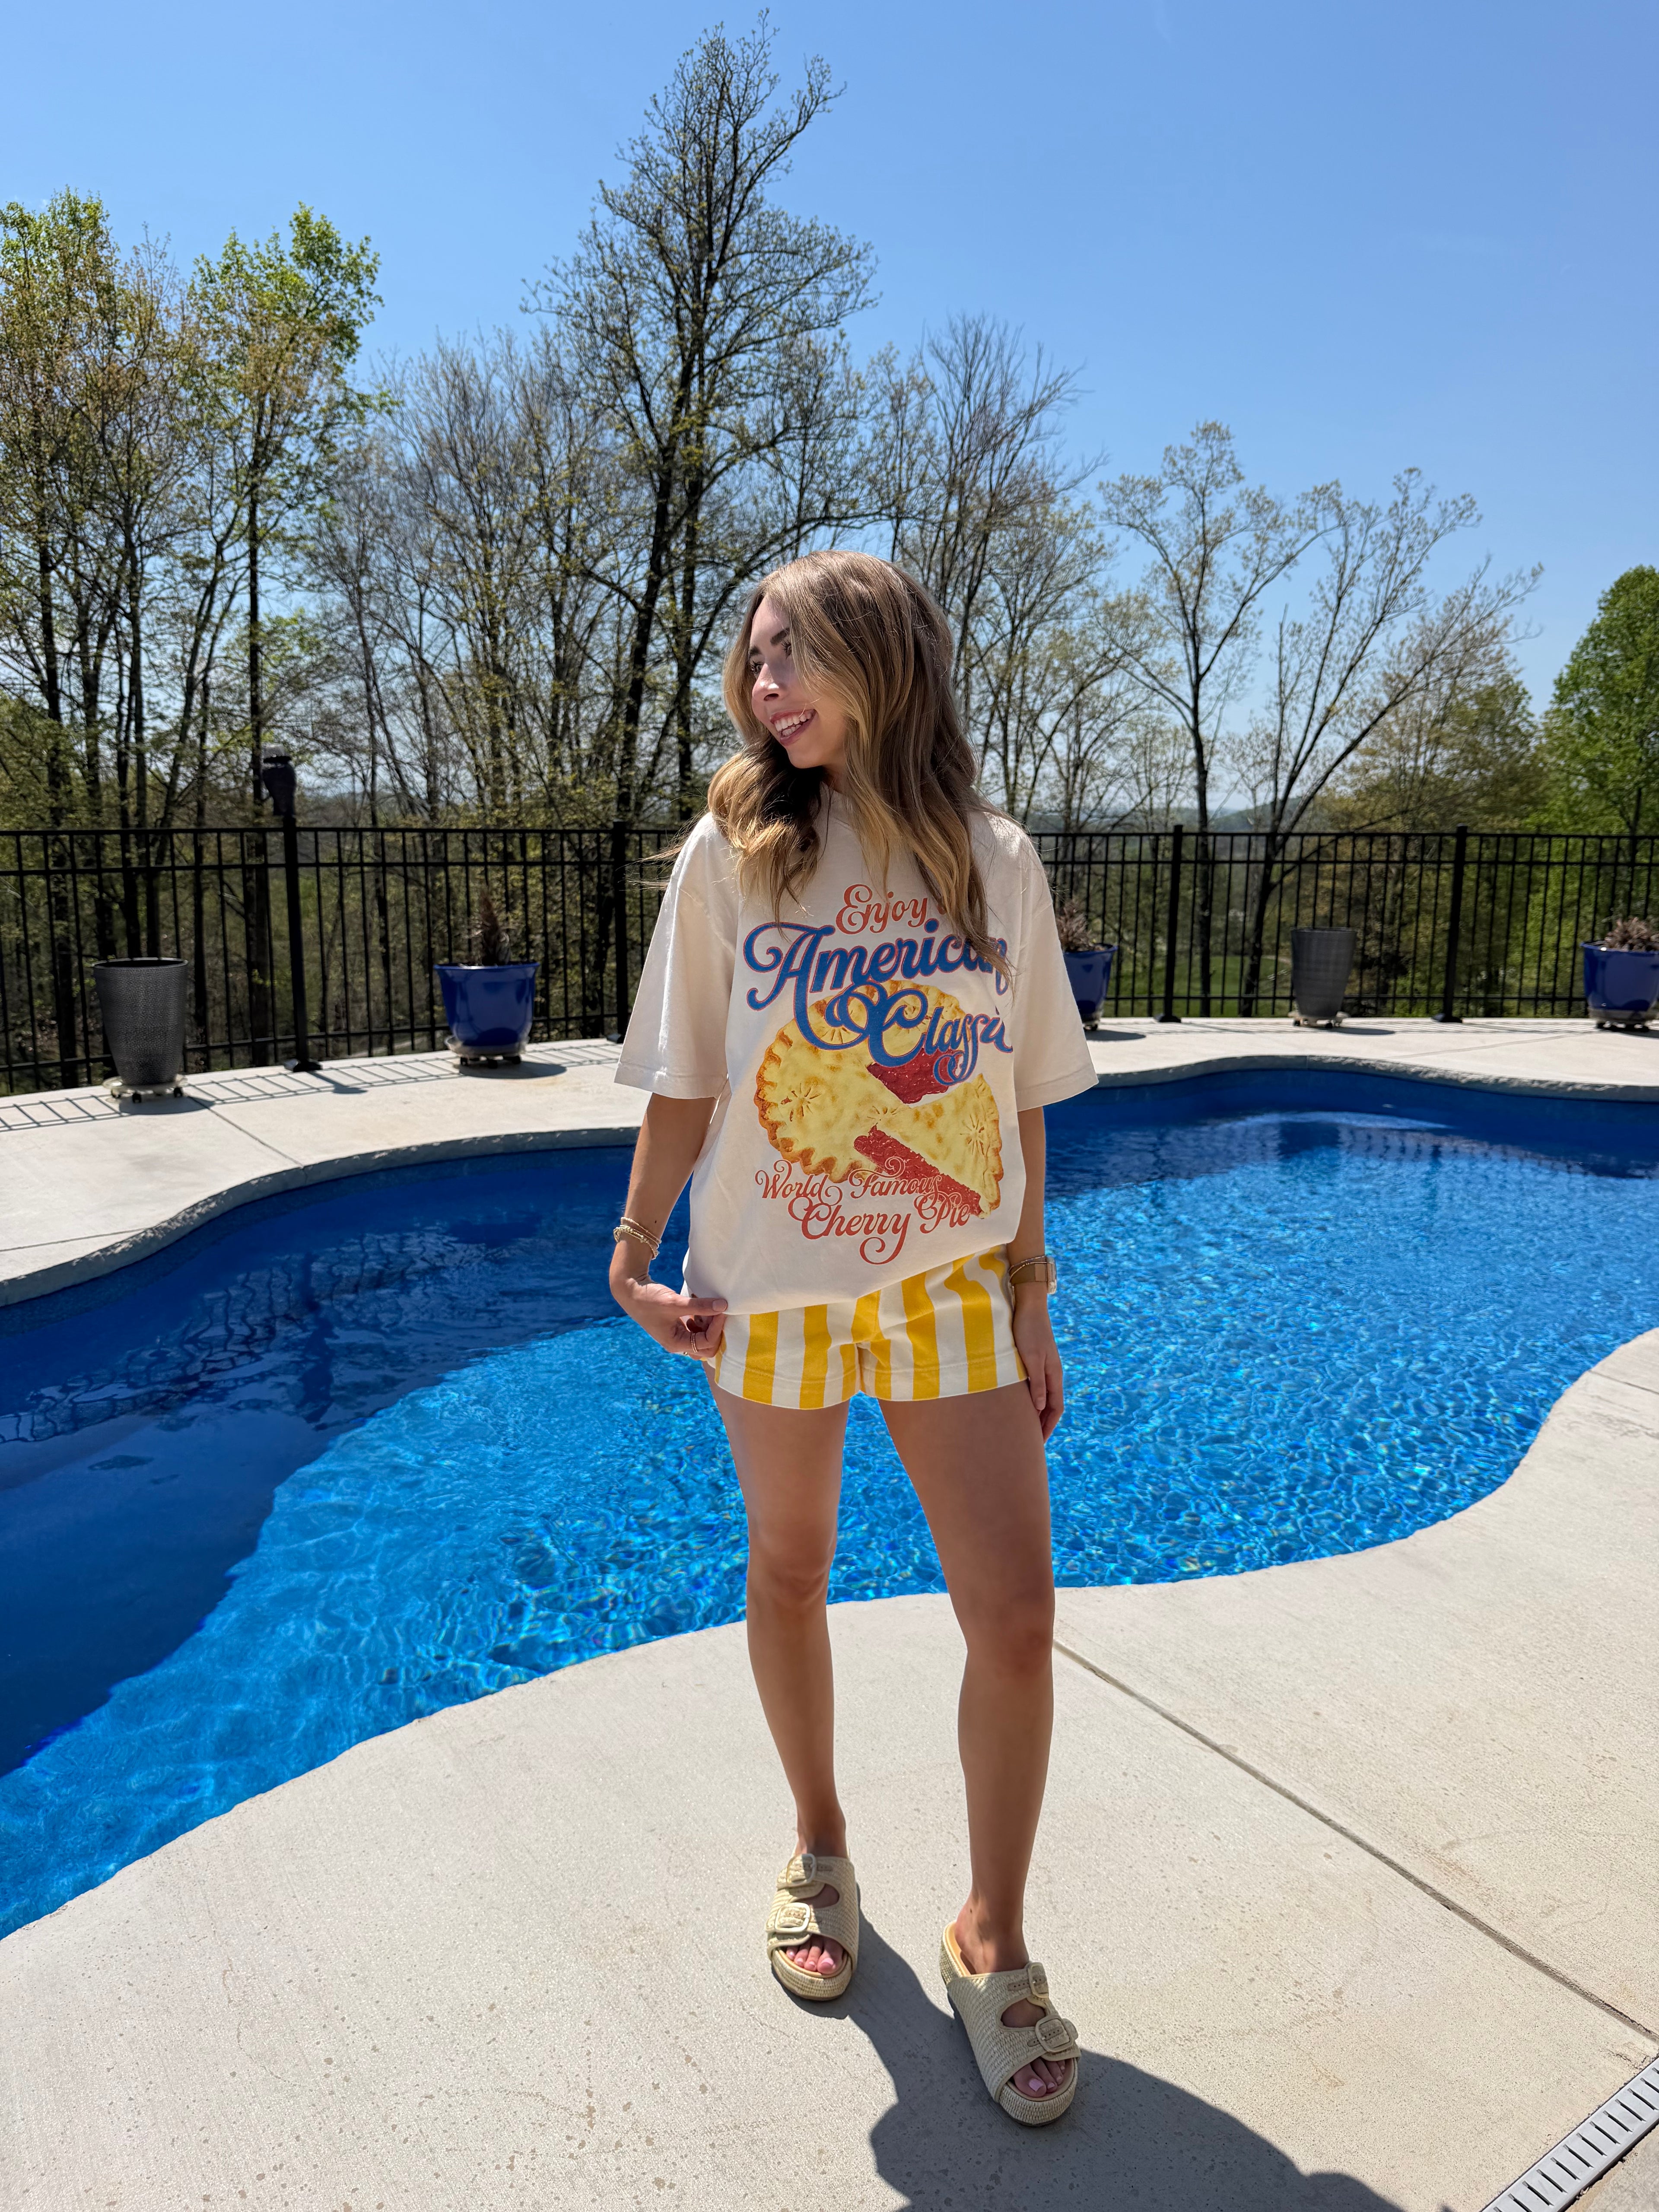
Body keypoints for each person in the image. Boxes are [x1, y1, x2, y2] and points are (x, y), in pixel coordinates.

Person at [609, 549, 1096, 2124]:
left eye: (794, 657)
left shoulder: (988, 860)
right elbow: (689, 1073)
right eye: (753, 663)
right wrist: (629, 1252)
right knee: (791, 1569)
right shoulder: (730, 854)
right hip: (766, 1286)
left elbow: (1013, 1098)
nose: (765, 690)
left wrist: (1029, 1292)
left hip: (951, 1284)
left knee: (1015, 1620)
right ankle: (821, 1849)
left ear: (883, 662)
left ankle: (991, 1935)